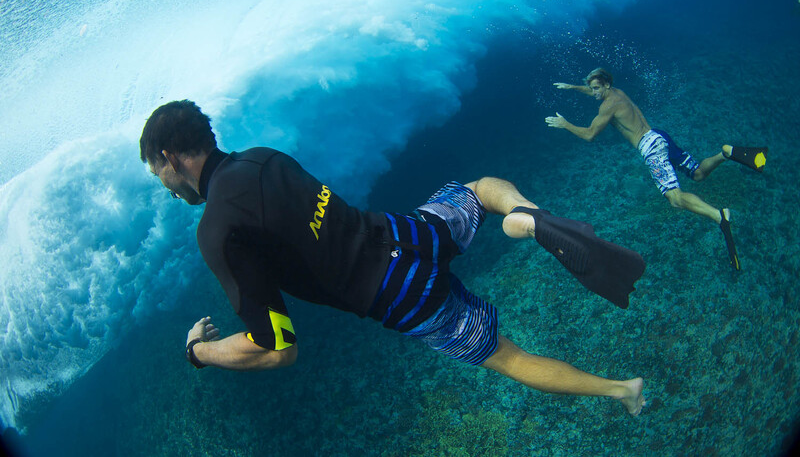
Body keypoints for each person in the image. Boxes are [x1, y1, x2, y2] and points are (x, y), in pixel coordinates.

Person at [140, 100, 647, 416]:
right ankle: (526, 215)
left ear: (169, 157)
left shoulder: (217, 232)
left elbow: (277, 348)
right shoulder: (264, 157)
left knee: (508, 357)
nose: (164, 187)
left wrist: (199, 352)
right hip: (404, 233)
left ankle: (622, 390)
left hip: (398, 296)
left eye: (156, 172)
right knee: (477, 190)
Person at [546, 68, 767, 270]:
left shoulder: (607, 106)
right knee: (698, 173)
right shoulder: (618, 93)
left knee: (675, 199)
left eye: (596, 88)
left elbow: (590, 135)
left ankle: (719, 216)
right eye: (591, 88)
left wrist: (565, 124)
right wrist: (572, 87)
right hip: (660, 136)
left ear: (606, 85)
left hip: (651, 149)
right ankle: (725, 153)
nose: (593, 92)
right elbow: (595, 92)